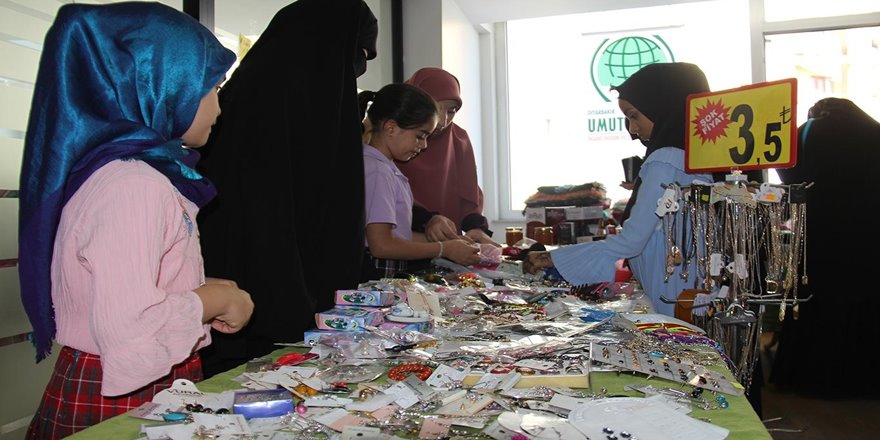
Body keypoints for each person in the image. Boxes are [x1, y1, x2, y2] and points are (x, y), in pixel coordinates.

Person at [17, 3, 253, 437]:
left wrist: (208, 289)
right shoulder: (134, 186)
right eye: (213, 89)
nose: (219, 109)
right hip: (124, 393)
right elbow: (131, 330)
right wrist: (214, 302)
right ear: (162, 85)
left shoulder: (130, 176)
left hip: (137, 381)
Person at [194, 0, 379, 377]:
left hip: (281, 310)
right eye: (355, 55)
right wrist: (296, 306)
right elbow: (264, 217)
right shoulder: (252, 110)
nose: (353, 70)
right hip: (240, 316)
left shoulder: (270, 99)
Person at [522, 62, 714, 317]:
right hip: (693, 286)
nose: (633, 129)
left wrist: (552, 259)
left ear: (661, 106)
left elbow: (632, 241)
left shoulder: (665, 158)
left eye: (634, 115)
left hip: (673, 291)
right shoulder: (694, 156)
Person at [770, 98, 880, 396]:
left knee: (819, 302)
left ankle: (813, 378)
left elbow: (790, 175)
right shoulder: (873, 131)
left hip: (822, 232)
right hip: (869, 237)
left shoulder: (807, 131)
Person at [359, 83, 482, 282]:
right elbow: (382, 245)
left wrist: (453, 241)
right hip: (374, 276)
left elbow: (401, 234)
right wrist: (443, 249)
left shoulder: (386, 167)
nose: (424, 146)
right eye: (420, 136)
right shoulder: (377, 170)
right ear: (390, 127)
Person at [397, 67, 501, 247]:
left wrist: (476, 229)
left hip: (448, 250)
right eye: (436, 109)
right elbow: (385, 198)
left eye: (451, 111)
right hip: (400, 247)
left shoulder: (459, 139)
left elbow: (469, 194)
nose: (443, 121)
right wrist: (426, 220)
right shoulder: (393, 136)